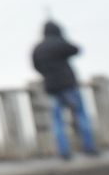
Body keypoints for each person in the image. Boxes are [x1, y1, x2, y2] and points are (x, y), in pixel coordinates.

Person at [31, 21, 99, 159]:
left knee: (57, 121)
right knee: (81, 115)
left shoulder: (38, 48)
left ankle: (64, 152)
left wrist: (47, 73)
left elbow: (35, 65)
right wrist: (62, 39)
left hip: (51, 88)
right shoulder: (59, 43)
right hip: (68, 86)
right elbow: (76, 50)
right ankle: (89, 147)